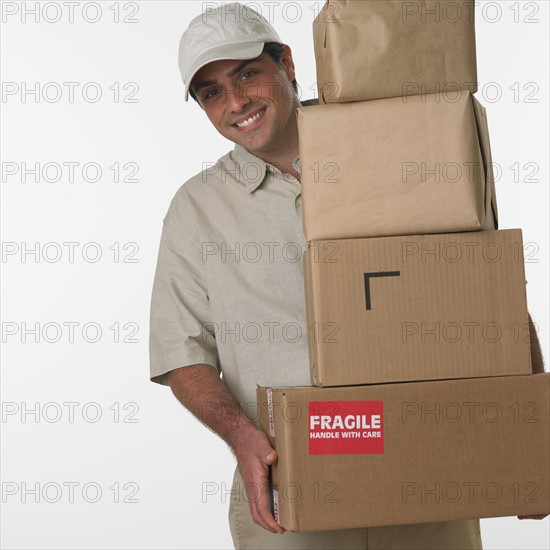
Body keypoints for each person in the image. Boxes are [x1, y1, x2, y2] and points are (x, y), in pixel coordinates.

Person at [149, 3, 547, 549]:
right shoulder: (197, 209)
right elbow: (181, 353)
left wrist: (526, 433)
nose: (236, 102)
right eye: (211, 92)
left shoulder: (394, 151)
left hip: (429, 469)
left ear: (286, 64)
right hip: (292, 488)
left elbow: (487, 288)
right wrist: (243, 439)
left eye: (247, 74)